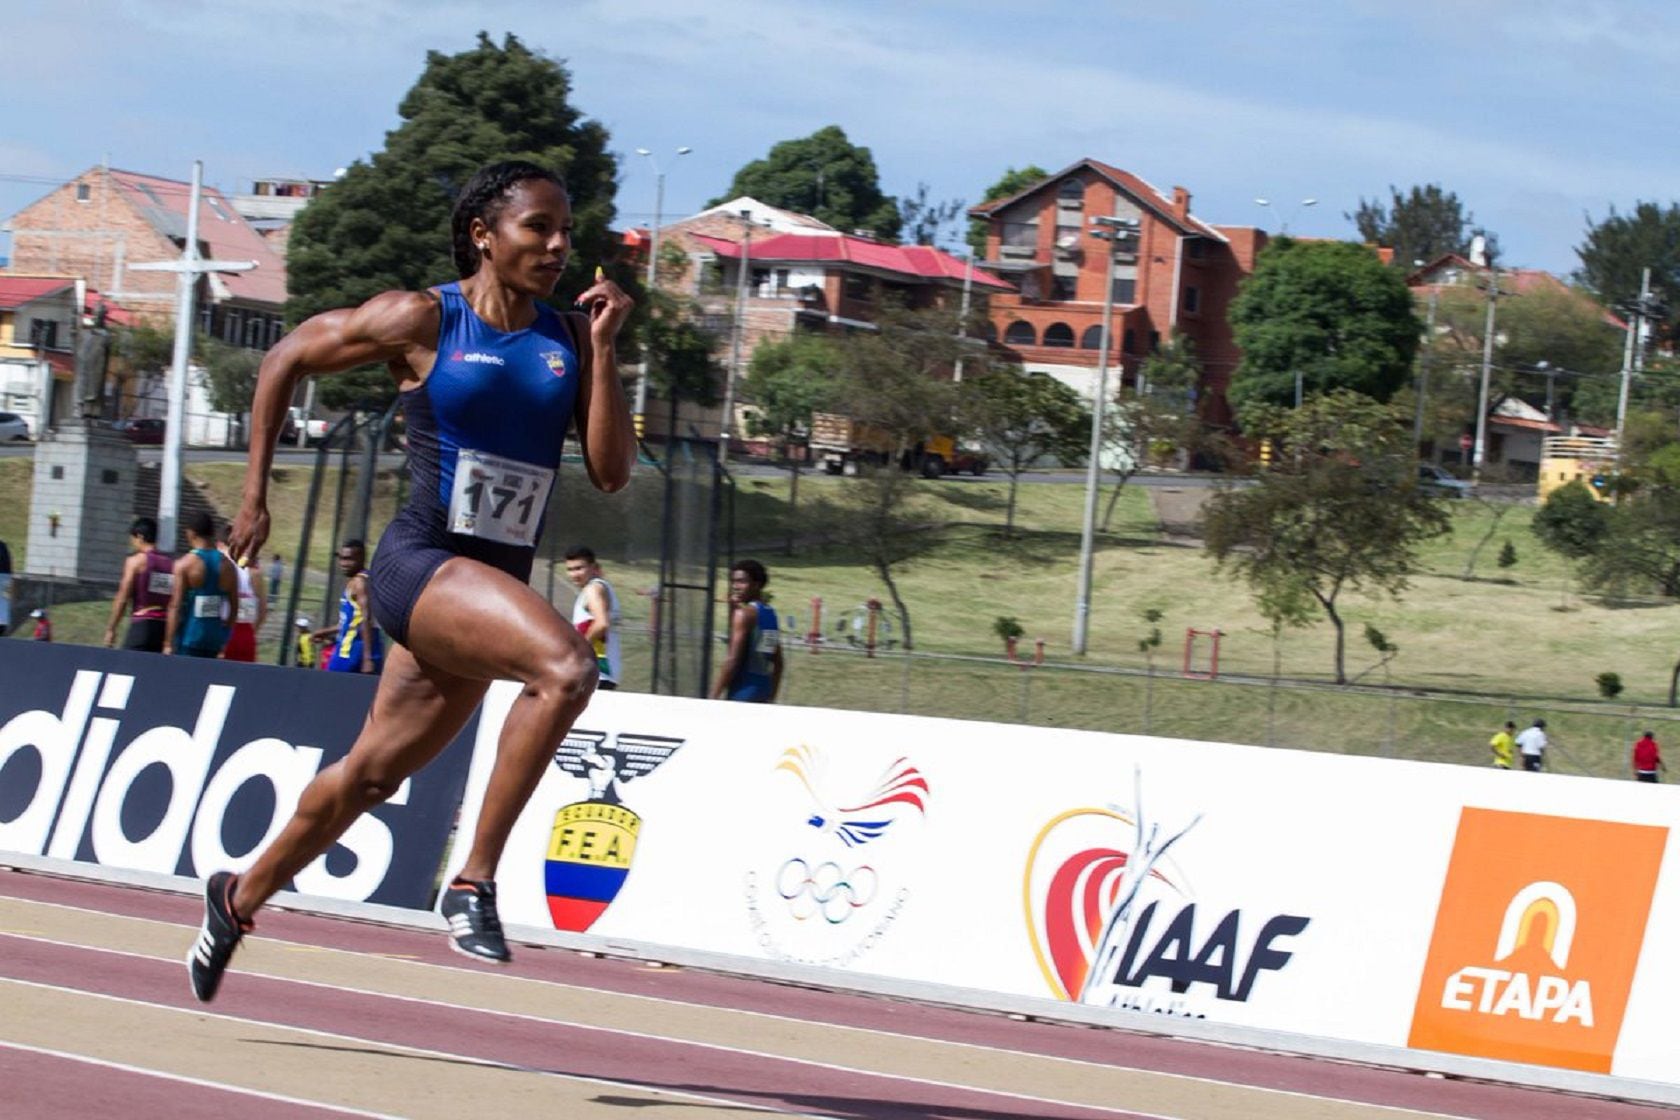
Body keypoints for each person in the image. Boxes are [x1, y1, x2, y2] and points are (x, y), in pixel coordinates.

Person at [189, 160, 634, 1003]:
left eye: (566, 232)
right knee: (566, 669)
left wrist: (605, 349)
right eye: (537, 228)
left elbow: (611, 473)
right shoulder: (425, 317)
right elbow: (284, 357)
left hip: (485, 588)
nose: (557, 246)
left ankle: (236, 898)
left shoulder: (568, 341)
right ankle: (472, 880)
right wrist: (253, 494)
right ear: (483, 234)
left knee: (370, 776)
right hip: (419, 564)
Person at [166, 510, 237, 658]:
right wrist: (224, 636)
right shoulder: (229, 566)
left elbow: (175, 606)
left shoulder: (185, 564)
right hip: (214, 639)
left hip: (189, 637)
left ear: (191, 533)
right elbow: (234, 606)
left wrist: (167, 643)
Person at [711, 559, 783, 703]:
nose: (735, 586)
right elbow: (777, 662)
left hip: (742, 693)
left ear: (756, 584)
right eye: (733, 581)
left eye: (741, 581)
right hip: (763, 692)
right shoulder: (770, 614)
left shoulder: (744, 614)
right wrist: (772, 696)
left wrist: (713, 697)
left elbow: (732, 660)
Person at [104, 516, 176, 652]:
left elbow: (123, 597)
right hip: (163, 628)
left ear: (140, 537)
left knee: (126, 668)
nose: (132, 543)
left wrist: (111, 628)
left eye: (133, 538)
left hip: (142, 624)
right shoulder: (171, 564)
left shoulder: (136, 561)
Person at [319, 540, 381, 674]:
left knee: (329, 690)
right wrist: (324, 632)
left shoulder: (359, 583)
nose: (343, 564)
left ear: (361, 558)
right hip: (364, 649)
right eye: (341, 559)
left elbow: (366, 619)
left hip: (351, 652)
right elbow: (352, 621)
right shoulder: (366, 579)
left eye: (348, 559)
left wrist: (367, 658)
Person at [564, 545, 620, 690]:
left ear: (593, 567)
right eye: (570, 569)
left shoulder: (593, 589)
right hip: (601, 673)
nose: (574, 574)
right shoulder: (600, 587)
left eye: (579, 568)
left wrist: (579, 649)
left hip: (595, 673)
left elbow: (601, 624)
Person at [218, 523, 266, 663]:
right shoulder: (253, 571)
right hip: (246, 634)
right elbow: (262, 611)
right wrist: (251, 632)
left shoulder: (220, 566)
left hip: (222, 629)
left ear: (220, 544)